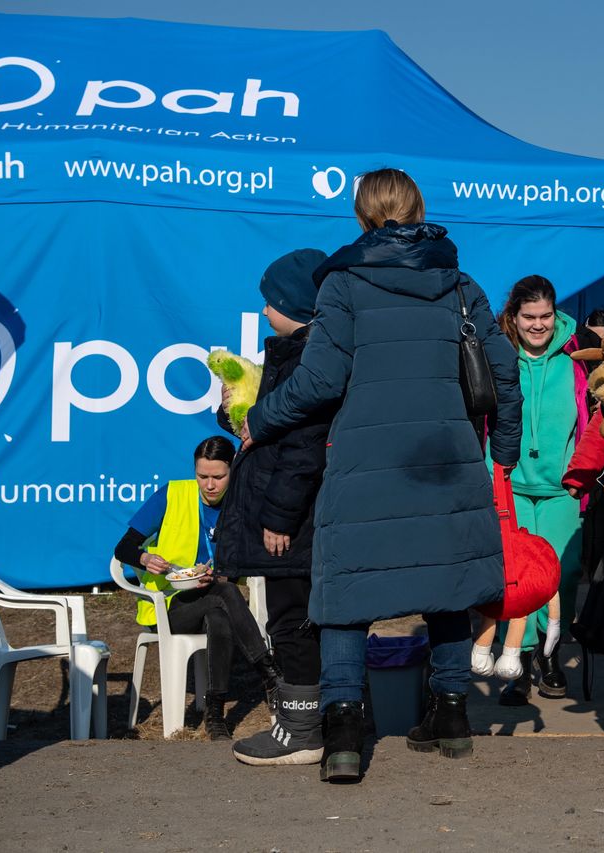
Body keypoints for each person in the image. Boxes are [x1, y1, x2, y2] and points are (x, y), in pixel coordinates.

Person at [241, 168, 522, 783]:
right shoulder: (459, 283)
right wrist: (502, 452)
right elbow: (502, 373)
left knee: (345, 597)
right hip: (447, 462)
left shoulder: (343, 283)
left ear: (362, 216)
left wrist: (261, 419)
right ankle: (450, 715)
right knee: (448, 585)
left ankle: (342, 734)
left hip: (366, 464)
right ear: (418, 208)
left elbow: (317, 382)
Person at [213, 247, 334, 767]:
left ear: (295, 304)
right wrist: (234, 416)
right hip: (288, 518)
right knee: (291, 618)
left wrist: (280, 516)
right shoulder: (292, 356)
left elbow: (303, 446)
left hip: (293, 523)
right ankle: (307, 723)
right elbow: (269, 431)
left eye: (270, 302)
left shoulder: (309, 360)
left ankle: (302, 731)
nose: (264, 311)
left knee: (292, 620)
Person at [113, 435, 279, 741]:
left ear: (233, 472)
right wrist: (145, 557)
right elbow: (123, 548)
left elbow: (250, 561)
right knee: (225, 595)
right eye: (202, 476)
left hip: (214, 599)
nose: (210, 485)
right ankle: (269, 673)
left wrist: (221, 574)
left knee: (219, 610)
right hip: (171, 606)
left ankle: (214, 716)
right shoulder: (173, 494)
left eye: (218, 476)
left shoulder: (241, 504)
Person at [472, 275, 589, 705]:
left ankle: (549, 654)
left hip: (562, 489)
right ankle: (516, 663)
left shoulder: (578, 358)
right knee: (516, 577)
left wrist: (582, 472)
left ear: (555, 315)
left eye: (545, 317)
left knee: (562, 572)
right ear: (513, 317)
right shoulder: (498, 357)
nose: (538, 325)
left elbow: (589, 418)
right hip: (509, 486)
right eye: (528, 317)